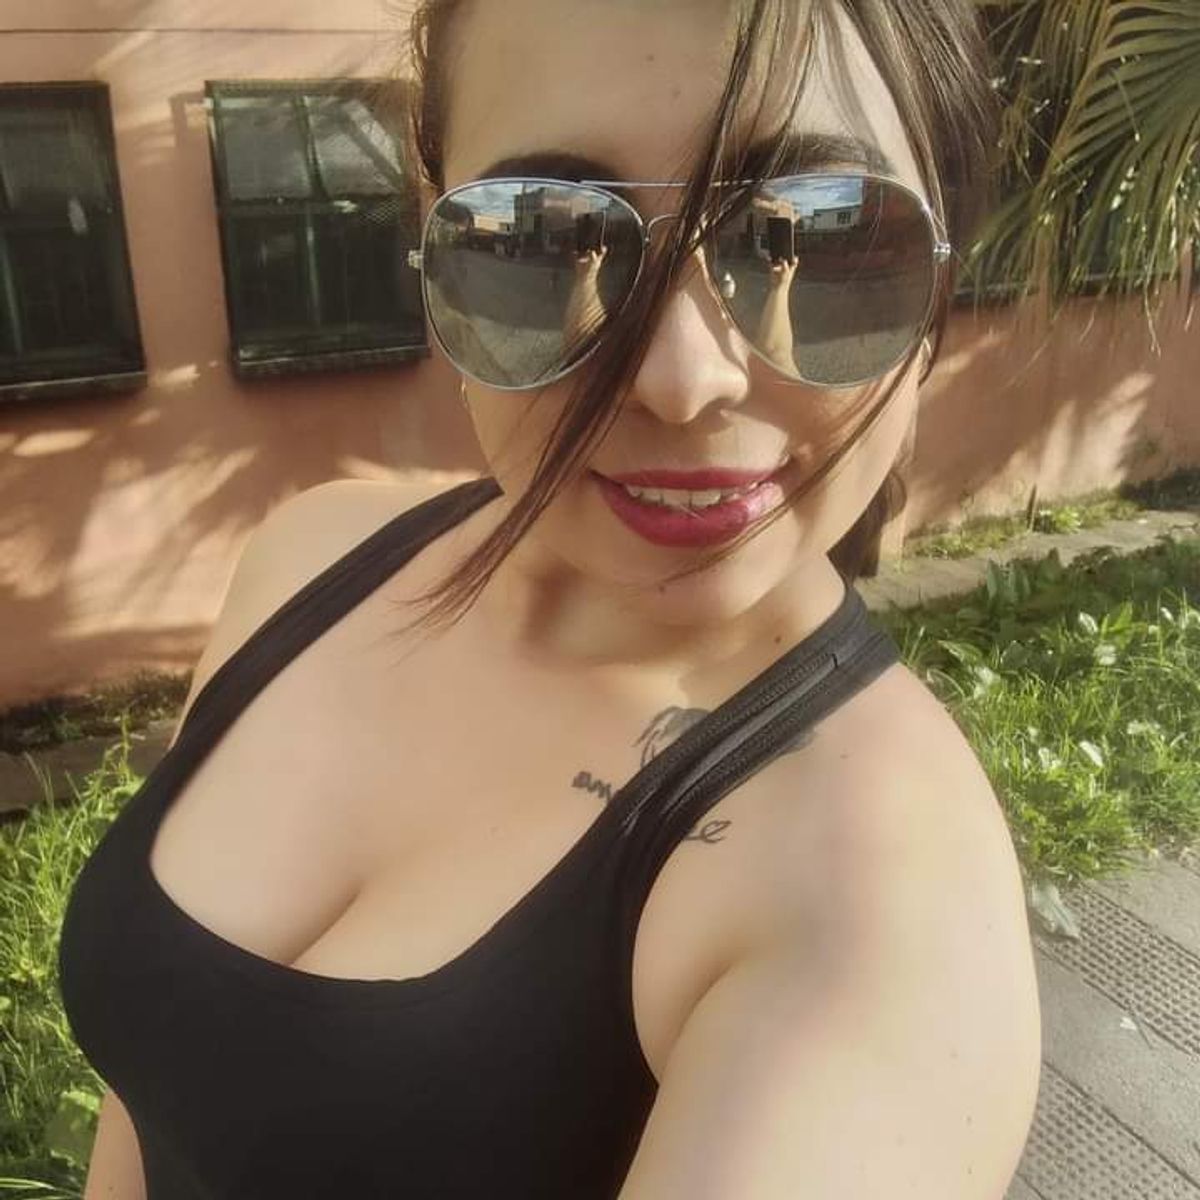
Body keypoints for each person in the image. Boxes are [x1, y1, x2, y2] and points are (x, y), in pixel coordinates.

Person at [59, 1, 1042, 1197]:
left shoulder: (881, 897)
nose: (684, 378)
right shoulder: (312, 556)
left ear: (940, 283)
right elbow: (152, 1089)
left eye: (822, 236)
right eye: (550, 235)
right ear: (431, 237)